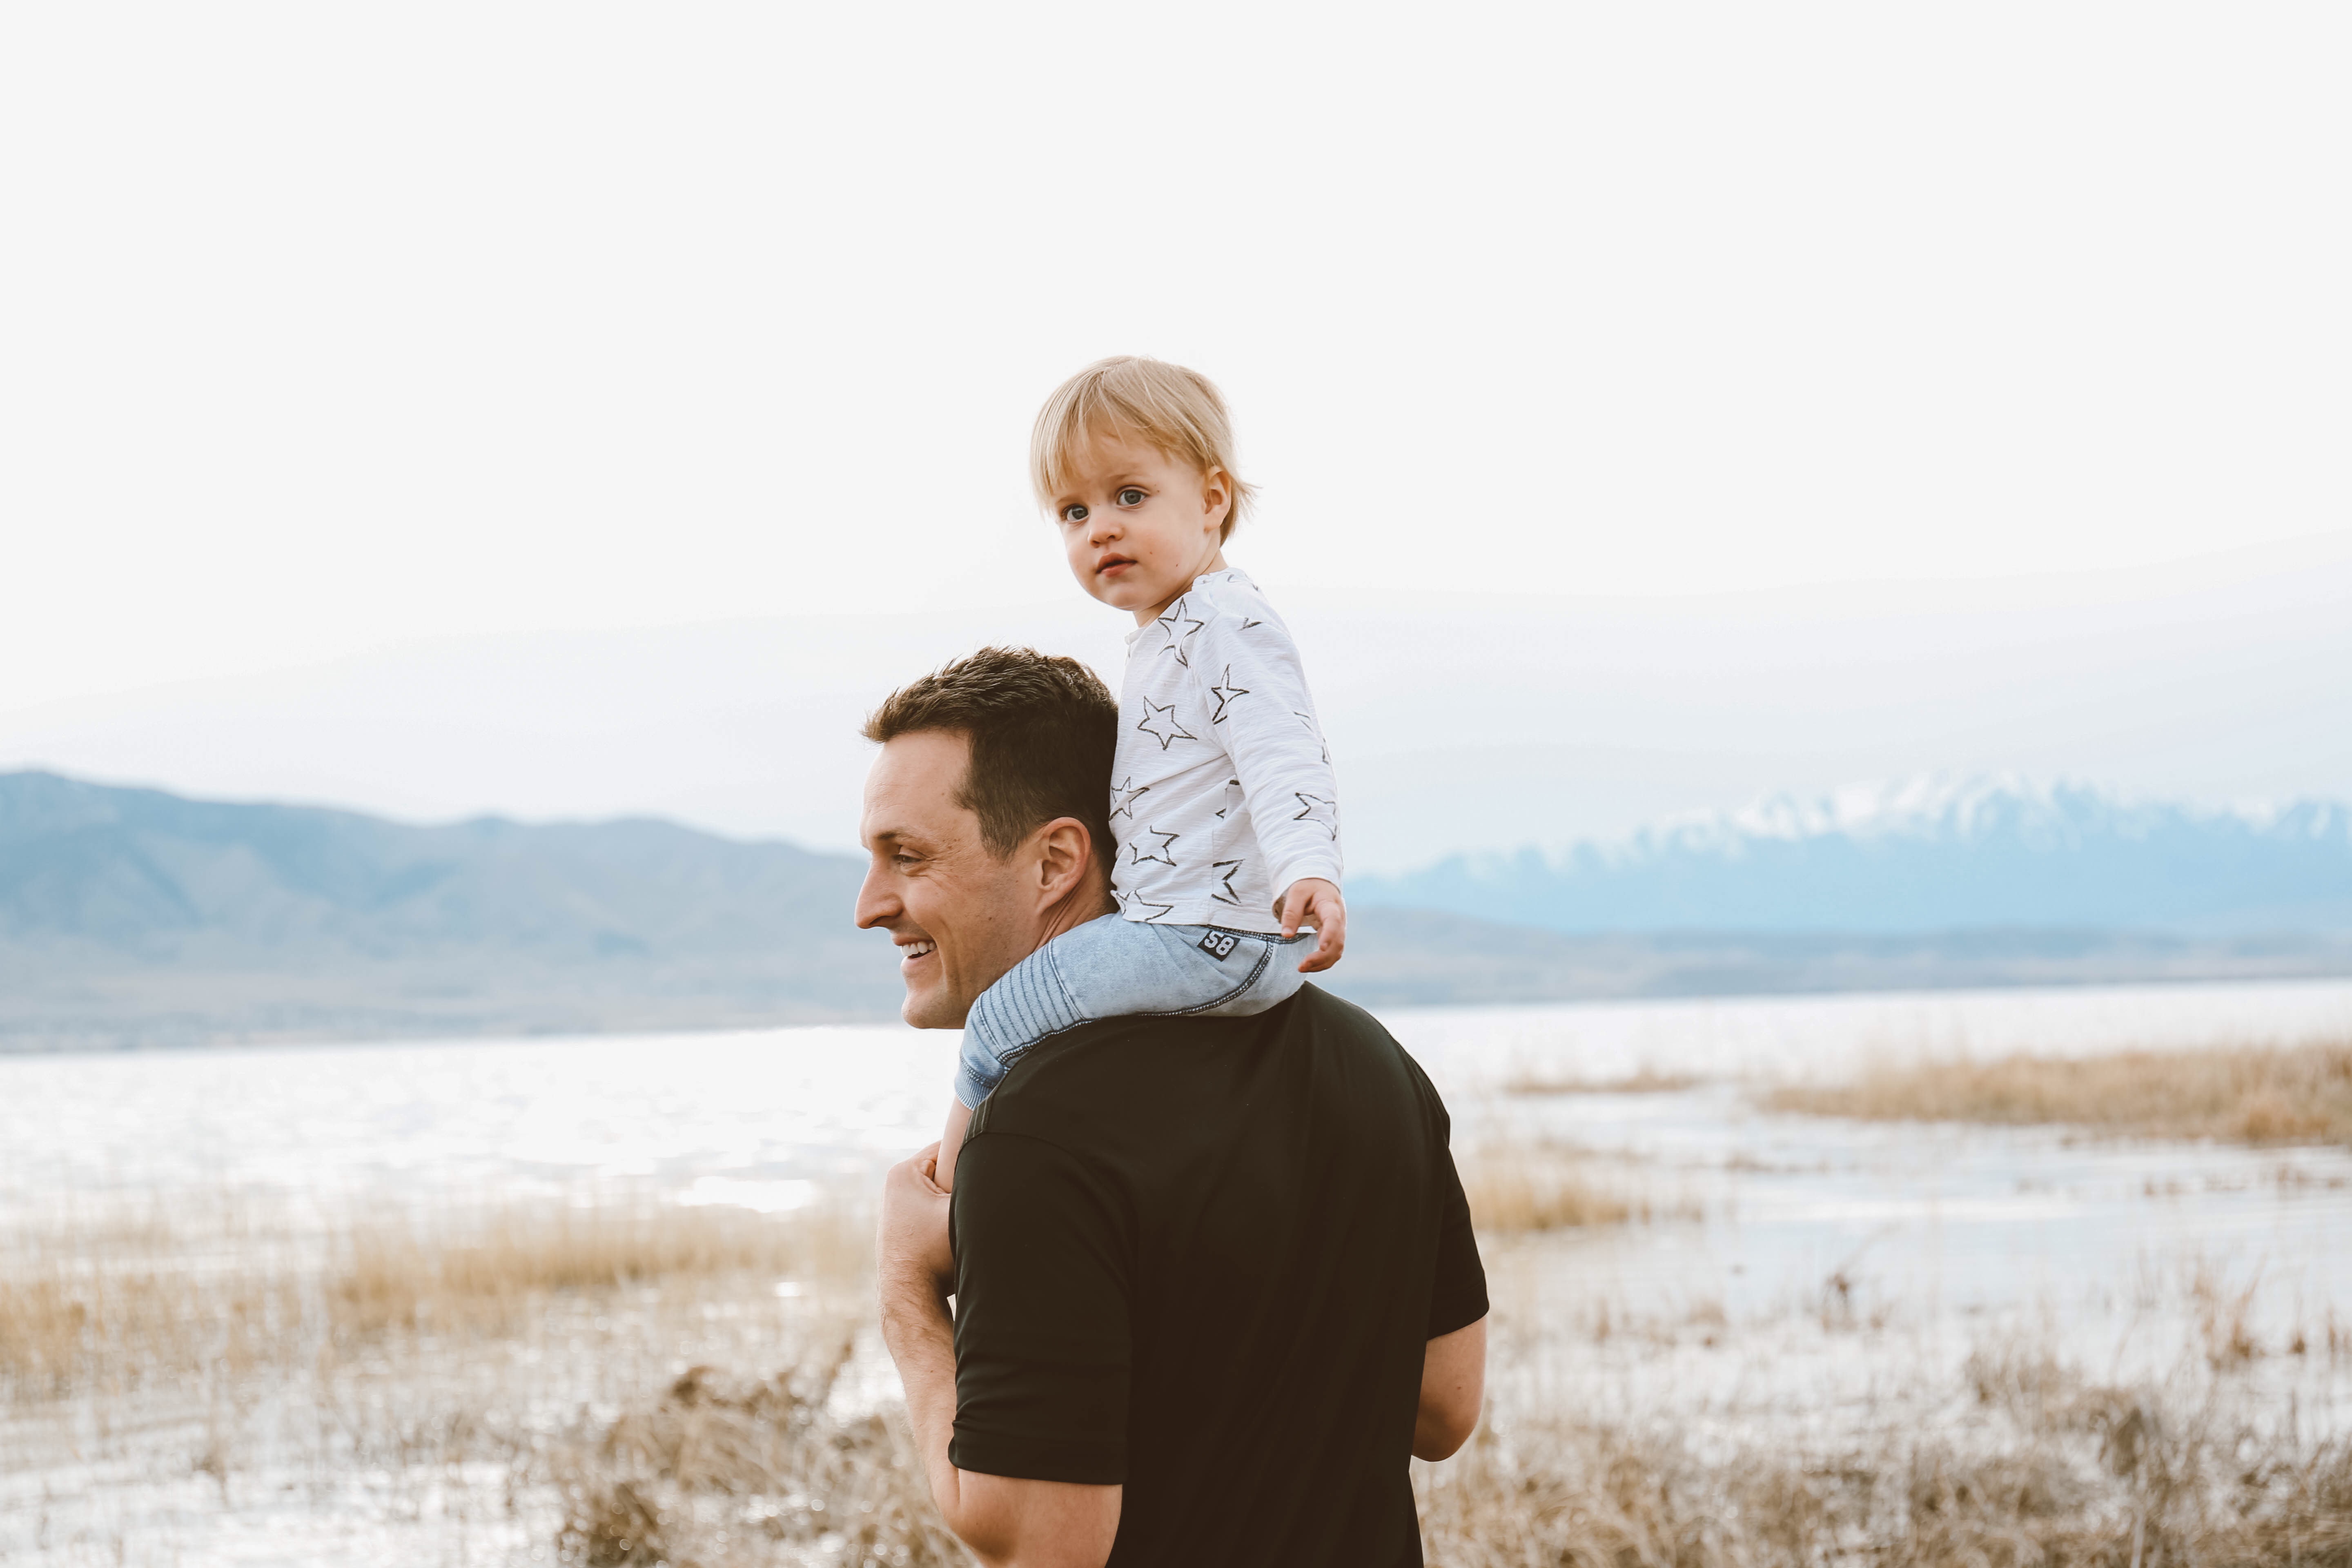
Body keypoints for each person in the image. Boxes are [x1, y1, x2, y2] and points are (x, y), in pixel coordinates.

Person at [856, 647, 1488, 1567]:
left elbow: (1042, 1543)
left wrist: (908, 1294)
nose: (870, 905)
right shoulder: (1375, 1063)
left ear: (1056, 862)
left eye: (906, 857)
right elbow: (1442, 1410)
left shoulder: (1033, 1137)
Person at [933, 356, 1351, 1192]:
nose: (1100, 530)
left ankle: (943, 1200)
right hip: (1193, 930)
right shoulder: (1176, 631)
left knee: (1000, 1017)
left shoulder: (1223, 622)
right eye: (1074, 511)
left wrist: (1309, 868)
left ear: (1212, 498)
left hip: (1206, 935)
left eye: (1129, 496)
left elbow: (1282, 752)